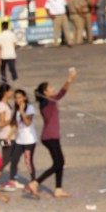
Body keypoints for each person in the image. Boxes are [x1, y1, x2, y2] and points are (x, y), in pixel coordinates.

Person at [29, 70, 76, 198]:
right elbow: (62, 93)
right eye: (50, 87)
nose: (52, 88)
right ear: (45, 92)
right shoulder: (48, 101)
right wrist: (69, 80)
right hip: (50, 137)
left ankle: (58, 189)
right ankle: (36, 182)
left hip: (51, 136)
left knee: (59, 161)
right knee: (58, 163)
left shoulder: (47, 102)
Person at [9, 88, 39, 197]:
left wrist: (22, 110)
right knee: (14, 159)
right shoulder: (16, 110)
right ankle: (13, 180)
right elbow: (16, 125)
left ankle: (33, 181)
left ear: (25, 97)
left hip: (29, 140)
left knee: (28, 161)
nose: (18, 100)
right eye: (16, 98)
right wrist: (9, 136)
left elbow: (27, 123)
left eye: (20, 97)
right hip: (19, 140)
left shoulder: (29, 108)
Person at [0, 84, 16, 189]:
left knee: (11, 158)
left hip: (9, 135)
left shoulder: (5, 104)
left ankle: (12, 180)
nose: (12, 93)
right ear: (6, 92)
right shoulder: (1, 105)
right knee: (6, 159)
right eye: (10, 91)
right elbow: (2, 123)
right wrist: (13, 119)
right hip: (5, 136)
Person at [0, 20, 18, 85]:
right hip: (11, 54)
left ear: (2, 27)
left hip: (3, 55)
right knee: (12, 68)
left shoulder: (1, 35)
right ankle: (15, 79)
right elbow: (15, 44)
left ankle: (4, 82)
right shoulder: (12, 34)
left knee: (3, 69)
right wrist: (11, 48)